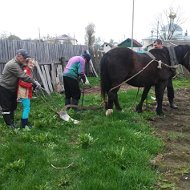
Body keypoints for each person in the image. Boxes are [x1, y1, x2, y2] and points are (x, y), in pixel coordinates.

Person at [0, 49, 41, 129]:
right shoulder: (12, 64)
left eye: (26, 58)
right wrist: (34, 82)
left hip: (12, 88)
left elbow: (25, 66)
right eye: (24, 57)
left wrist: (26, 63)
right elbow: (23, 76)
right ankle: (9, 125)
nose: (25, 59)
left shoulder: (19, 63)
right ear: (18, 56)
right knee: (6, 107)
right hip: (4, 87)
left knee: (13, 106)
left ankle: (12, 122)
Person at [152, 39, 177, 109]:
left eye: (156, 45)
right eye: (153, 45)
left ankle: (171, 102)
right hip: (157, 73)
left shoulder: (167, 51)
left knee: (170, 87)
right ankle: (158, 103)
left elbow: (172, 60)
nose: (154, 47)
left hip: (167, 73)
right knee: (158, 89)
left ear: (160, 44)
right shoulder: (154, 51)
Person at [17, 58, 35, 128]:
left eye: (33, 64)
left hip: (27, 91)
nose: (32, 65)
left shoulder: (29, 71)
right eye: (30, 63)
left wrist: (32, 84)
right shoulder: (25, 71)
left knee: (27, 107)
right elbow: (21, 82)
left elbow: (28, 81)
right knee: (26, 108)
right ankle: (24, 125)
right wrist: (31, 84)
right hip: (24, 92)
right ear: (26, 63)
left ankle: (24, 122)